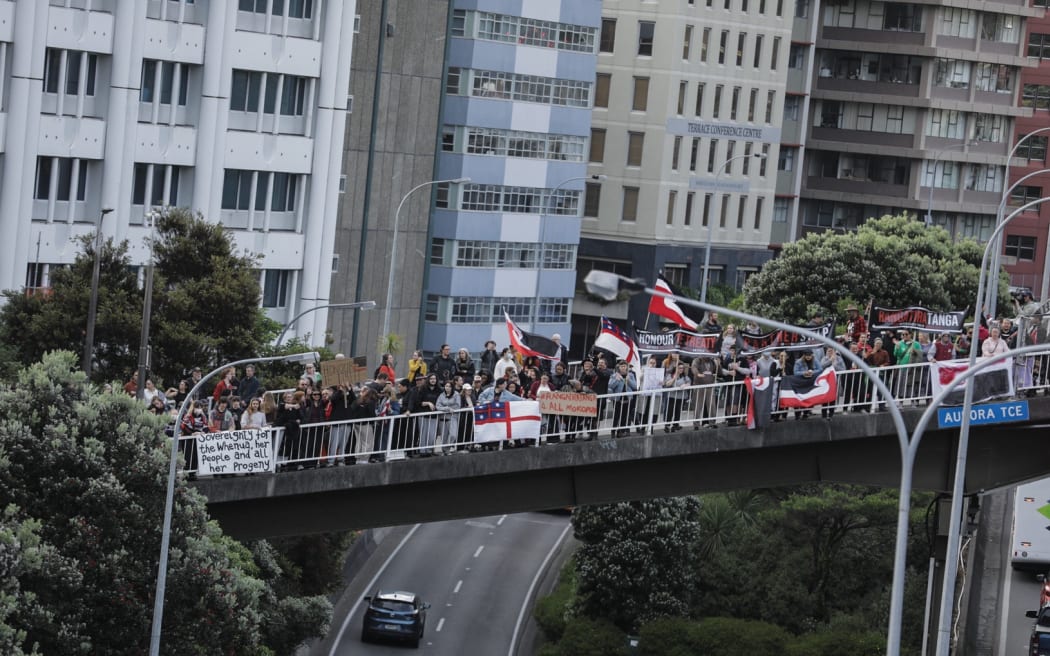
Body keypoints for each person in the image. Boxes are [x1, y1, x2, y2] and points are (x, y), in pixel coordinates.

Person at [326, 385, 355, 466]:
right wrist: (340, 391)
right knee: (334, 442)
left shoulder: (349, 395)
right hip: (337, 422)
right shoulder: (336, 394)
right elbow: (333, 399)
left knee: (344, 442)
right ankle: (331, 460)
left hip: (347, 421)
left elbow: (354, 399)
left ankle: (340, 459)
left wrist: (350, 389)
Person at [607, 359, 638, 438]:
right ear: (619, 367)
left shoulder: (630, 375)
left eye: (624, 366)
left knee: (625, 416)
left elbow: (635, 386)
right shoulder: (614, 375)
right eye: (621, 366)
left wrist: (629, 380)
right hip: (618, 399)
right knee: (616, 416)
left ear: (627, 367)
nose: (623, 368)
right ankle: (613, 431)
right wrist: (617, 380)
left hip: (628, 399)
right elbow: (610, 386)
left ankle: (621, 431)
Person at [274, 392, 303, 469]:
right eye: (287, 397)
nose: (289, 398)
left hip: (291, 431)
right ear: (284, 398)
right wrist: (294, 406)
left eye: (290, 397)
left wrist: (298, 420)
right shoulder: (281, 405)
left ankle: (285, 464)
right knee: (280, 446)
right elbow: (285, 407)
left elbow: (300, 416)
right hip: (282, 430)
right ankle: (277, 464)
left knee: (289, 447)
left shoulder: (295, 408)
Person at [691, 354, 720, 427]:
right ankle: (696, 424)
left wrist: (718, 365)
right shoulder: (697, 360)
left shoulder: (712, 361)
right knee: (698, 405)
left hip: (710, 386)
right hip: (699, 386)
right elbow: (693, 367)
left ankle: (712, 423)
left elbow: (719, 372)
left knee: (712, 405)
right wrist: (697, 374)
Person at [663, 362, 691, 432]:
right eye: (679, 368)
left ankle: (675, 425)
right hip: (672, 396)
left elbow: (689, 383)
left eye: (682, 368)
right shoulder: (670, 375)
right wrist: (674, 379)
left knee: (677, 411)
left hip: (680, 397)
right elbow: (667, 384)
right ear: (676, 368)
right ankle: (667, 425)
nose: (681, 369)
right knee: (670, 411)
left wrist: (685, 385)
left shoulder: (684, 377)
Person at [435, 381, 462, 454]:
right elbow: (438, 406)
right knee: (444, 437)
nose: (447, 388)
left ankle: (447, 448)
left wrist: (449, 408)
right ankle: (445, 451)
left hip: (452, 418)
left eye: (449, 386)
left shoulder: (456, 395)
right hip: (443, 419)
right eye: (446, 386)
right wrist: (447, 408)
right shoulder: (441, 395)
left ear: (452, 387)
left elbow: (457, 406)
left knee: (453, 435)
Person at [792, 350, 820, 420]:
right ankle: (797, 414)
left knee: (809, 397)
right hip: (800, 382)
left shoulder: (815, 360)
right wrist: (804, 373)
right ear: (804, 356)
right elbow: (795, 372)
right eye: (807, 356)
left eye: (810, 356)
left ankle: (806, 413)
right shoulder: (798, 362)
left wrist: (812, 372)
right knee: (799, 398)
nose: (808, 357)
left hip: (810, 382)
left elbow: (820, 369)